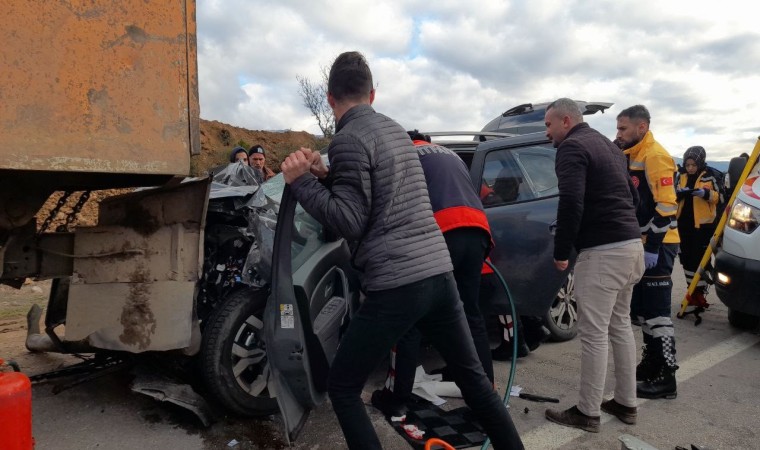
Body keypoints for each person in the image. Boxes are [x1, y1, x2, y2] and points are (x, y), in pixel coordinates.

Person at [279, 51, 523, 450]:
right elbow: (378, 193)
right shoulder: (394, 130)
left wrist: (301, 182)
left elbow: (350, 221)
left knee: (343, 387)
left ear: (329, 98)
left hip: (396, 282)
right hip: (438, 274)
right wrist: (326, 175)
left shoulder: (347, 139)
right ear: (372, 94)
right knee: (476, 382)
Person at [370, 129, 495, 417]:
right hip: (477, 230)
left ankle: (396, 397)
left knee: (411, 317)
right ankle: (486, 395)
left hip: (440, 233)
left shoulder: (406, 157)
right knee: (470, 314)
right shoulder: (450, 155)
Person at [542, 98, 644, 432]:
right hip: (631, 247)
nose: (547, 133)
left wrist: (561, 251)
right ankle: (626, 403)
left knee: (594, 334)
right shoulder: (609, 146)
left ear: (566, 121)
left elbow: (571, 201)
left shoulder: (571, 148)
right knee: (620, 326)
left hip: (603, 253)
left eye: (549, 125)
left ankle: (587, 413)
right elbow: (634, 198)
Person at [616, 105, 680, 399]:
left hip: (660, 243)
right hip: (641, 243)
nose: (618, 134)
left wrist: (652, 246)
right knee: (641, 311)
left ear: (641, 127)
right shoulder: (631, 154)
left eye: (623, 128)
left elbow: (667, 206)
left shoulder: (655, 156)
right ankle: (651, 362)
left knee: (656, 313)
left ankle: (666, 376)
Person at [675, 146, 719, 309]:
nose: (690, 168)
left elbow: (719, 197)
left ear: (700, 163)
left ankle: (699, 293)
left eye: (693, 165)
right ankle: (691, 292)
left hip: (703, 226)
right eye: (687, 165)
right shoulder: (681, 176)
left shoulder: (710, 176)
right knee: (686, 259)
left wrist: (705, 194)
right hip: (683, 224)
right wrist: (680, 193)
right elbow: (673, 194)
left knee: (699, 259)